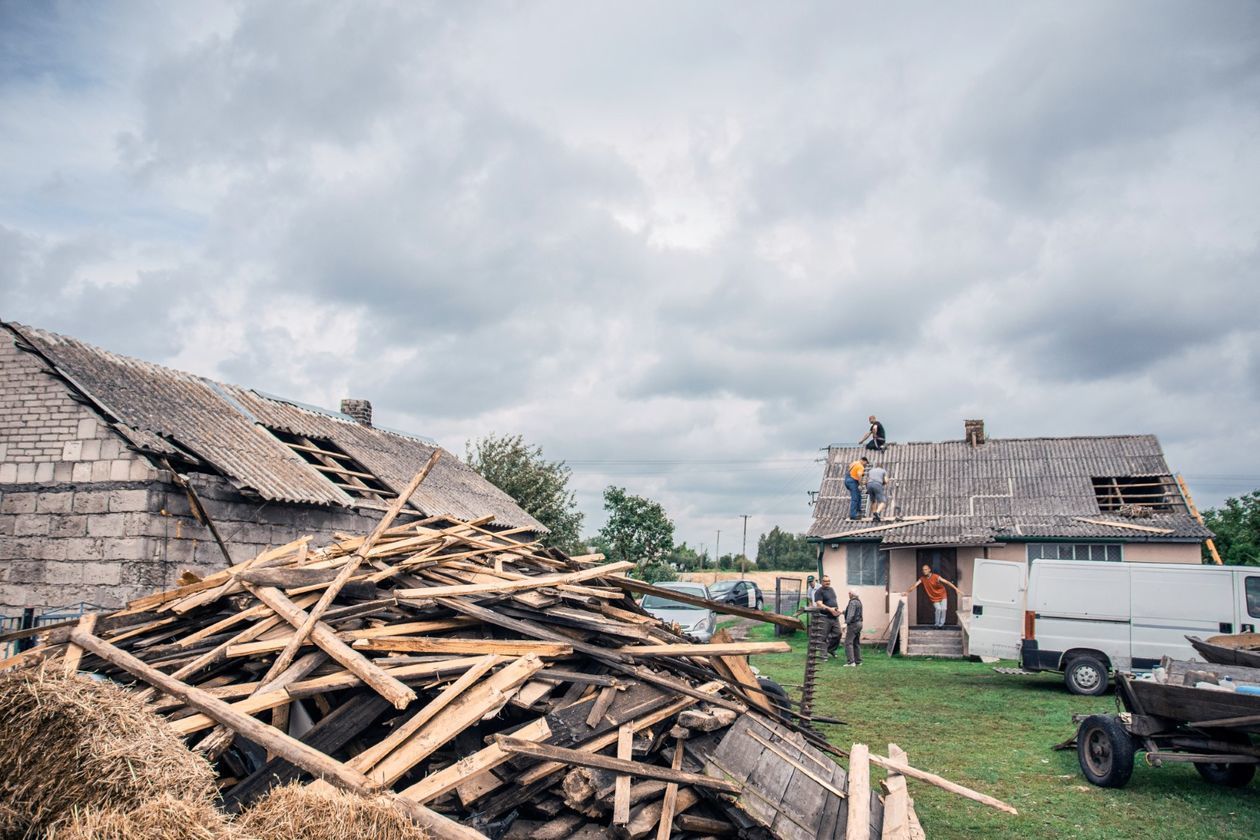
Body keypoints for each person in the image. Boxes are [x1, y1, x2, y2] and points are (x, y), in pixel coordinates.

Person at [905, 564, 962, 628]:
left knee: (943, 609)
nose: (924, 571)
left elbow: (947, 582)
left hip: (942, 594)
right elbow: (914, 585)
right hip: (933, 597)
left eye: (926, 569)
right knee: (938, 609)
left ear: (929, 570)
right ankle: (937, 624)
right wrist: (907, 592)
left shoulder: (936, 577)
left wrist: (956, 589)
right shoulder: (922, 579)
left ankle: (941, 624)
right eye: (923, 570)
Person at [812, 575, 841, 659]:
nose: (827, 582)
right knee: (823, 636)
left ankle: (831, 649)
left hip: (834, 617)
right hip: (824, 617)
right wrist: (830, 609)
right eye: (825, 581)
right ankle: (823, 655)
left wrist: (836, 610)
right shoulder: (819, 591)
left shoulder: (831, 590)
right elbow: (819, 604)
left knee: (838, 633)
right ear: (821, 582)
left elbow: (833, 601)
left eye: (829, 581)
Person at [842, 590, 864, 666]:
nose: (848, 594)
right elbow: (854, 612)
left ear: (851, 594)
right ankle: (858, 661)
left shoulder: (852, 602)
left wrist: (845, 623)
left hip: (853, 625)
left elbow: (851, 614)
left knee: (848, 643)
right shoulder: (858, 602)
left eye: (849, 593)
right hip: (859, 624)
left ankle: (851, 662)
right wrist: (842, 612)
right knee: (856, 643)